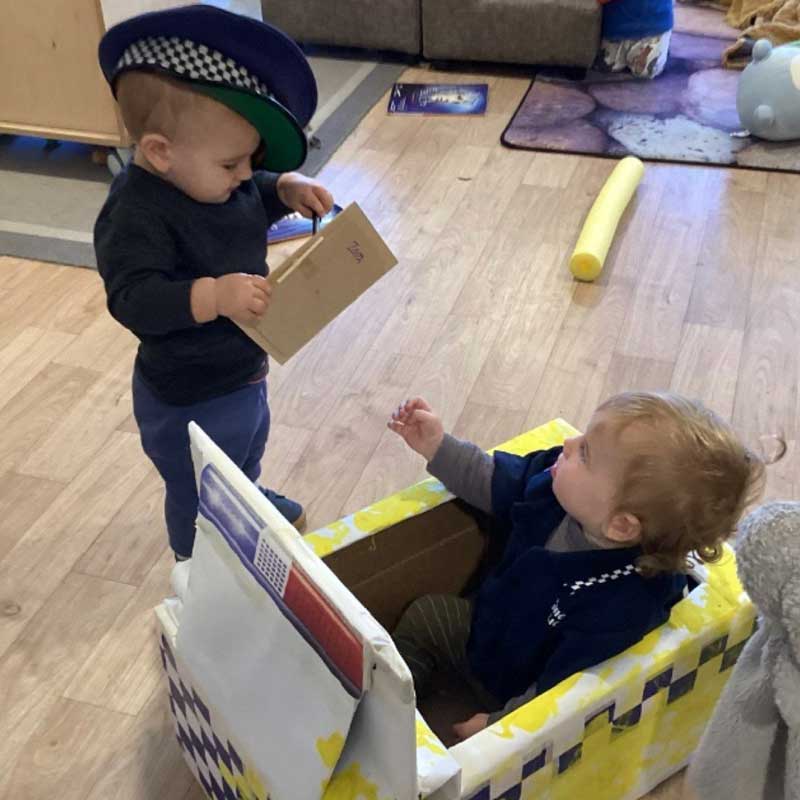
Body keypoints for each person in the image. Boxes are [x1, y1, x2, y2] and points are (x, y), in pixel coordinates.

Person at [94, 6, 333, 559]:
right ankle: (196, 559)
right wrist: (213, 296)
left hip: (243, 366)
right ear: (159, 153)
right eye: (233, 164)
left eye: (252, 160)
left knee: (249, 446)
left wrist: (286, 187)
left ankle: (247, 495)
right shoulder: (135, 214)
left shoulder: (223, 181)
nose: (245, 174)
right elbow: (133, 298)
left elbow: (252, 195)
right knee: (197, 486)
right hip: (185, 395)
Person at [388, 392, 765, 739]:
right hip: (484, 632)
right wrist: (437, 445)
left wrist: (500, 724)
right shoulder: (555, 486)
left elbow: (566, 689)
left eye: (584, 453)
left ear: (621, 525)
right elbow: (495, 480)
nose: (568, 445)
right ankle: (394, 713)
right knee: (425, 616)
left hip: (521, 688)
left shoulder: (622, 602)